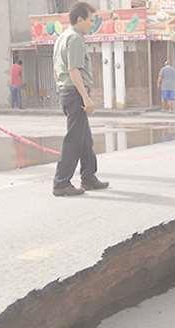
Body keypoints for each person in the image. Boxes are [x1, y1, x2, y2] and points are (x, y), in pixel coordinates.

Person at [51, 2, 109, 197]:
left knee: (85, 139)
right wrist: (86, 98)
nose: (91, 24)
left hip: (67, 91)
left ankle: (88, 177)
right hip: (75, 93)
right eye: (90, 20)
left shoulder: (62, 37)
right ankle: (61, 183)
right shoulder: (75, 38)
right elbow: (73, 70)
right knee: (74, 139)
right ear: (80, 19)